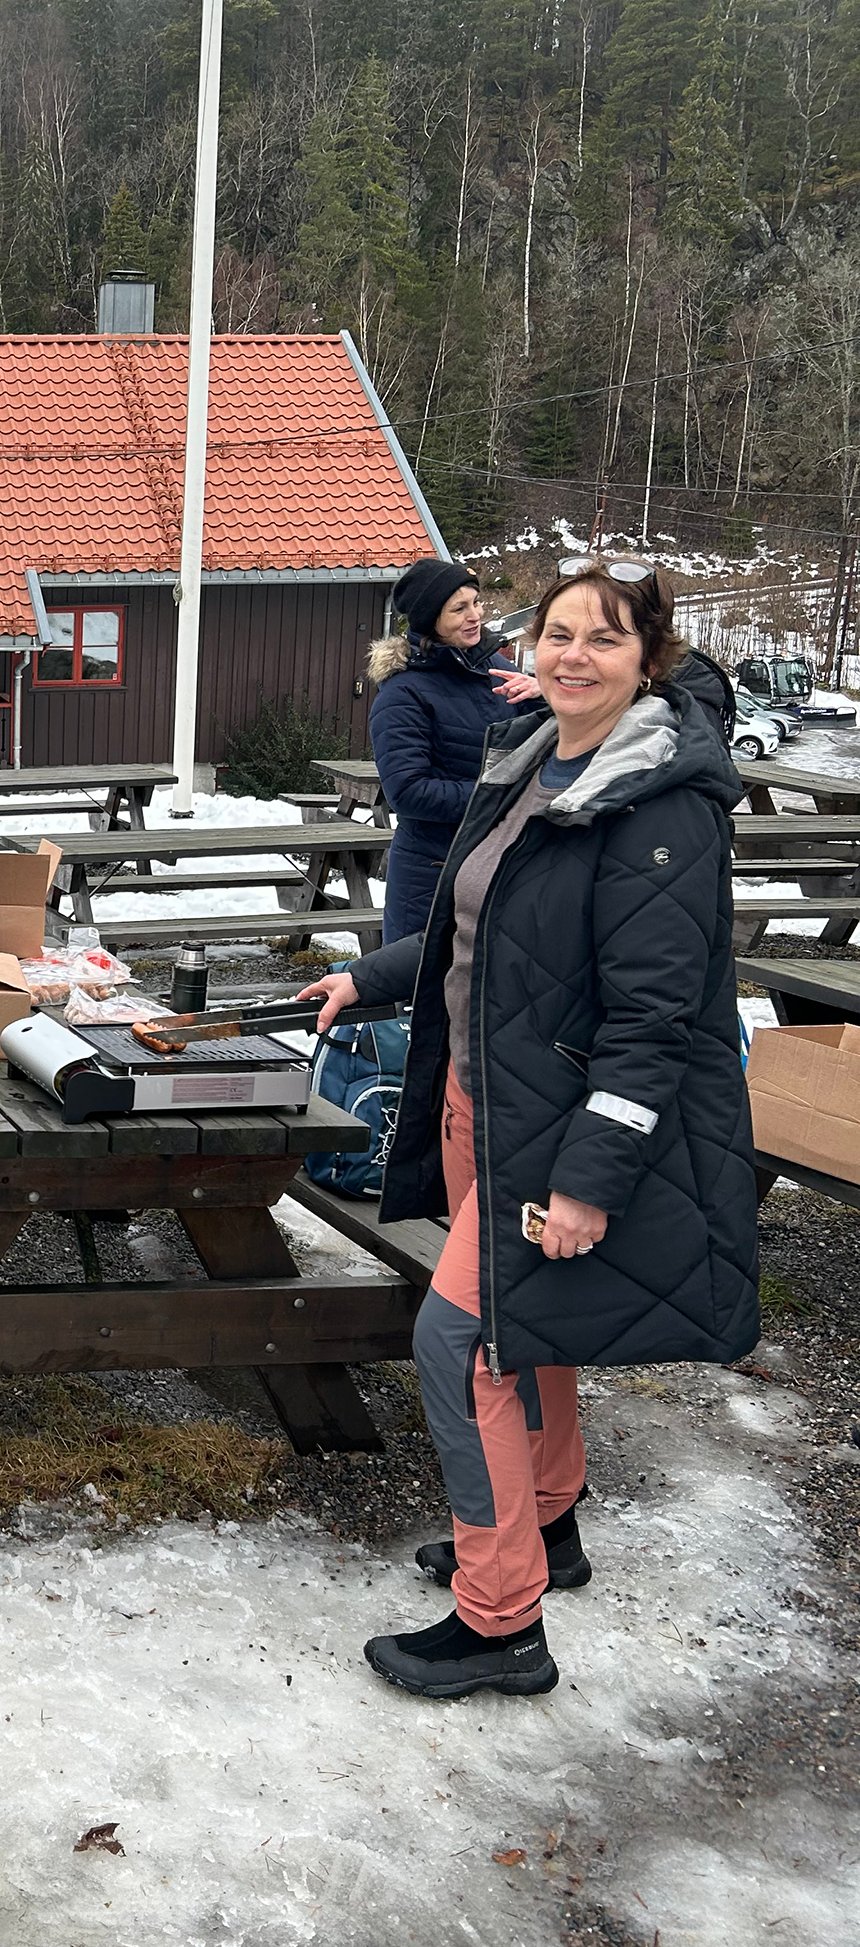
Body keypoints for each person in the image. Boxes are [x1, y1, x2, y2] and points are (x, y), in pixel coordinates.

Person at [298, 560, 758, 1699]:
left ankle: (499, 1620)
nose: (569, 655)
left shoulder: (657, 805)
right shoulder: (534, 765)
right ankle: (544, 1526)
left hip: (551, 1136)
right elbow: (483, 934)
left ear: (646, 660)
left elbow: (653, 1022)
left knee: (458, 1344)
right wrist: (368, 975)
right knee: (528, 1330)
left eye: (600, 638)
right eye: (554, 632)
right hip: (477, 1110)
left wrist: (590, 1180)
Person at [367, 557, 540, 941]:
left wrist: (548, 696)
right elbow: (409, 793)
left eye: (476, 603)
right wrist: (500, 795)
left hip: (500, 862)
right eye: (459, 608)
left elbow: (555, 738)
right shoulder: (402, 694)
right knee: (424, 990)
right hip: (432, 873)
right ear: (431, 619)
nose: (475, 615)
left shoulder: (495, 668)